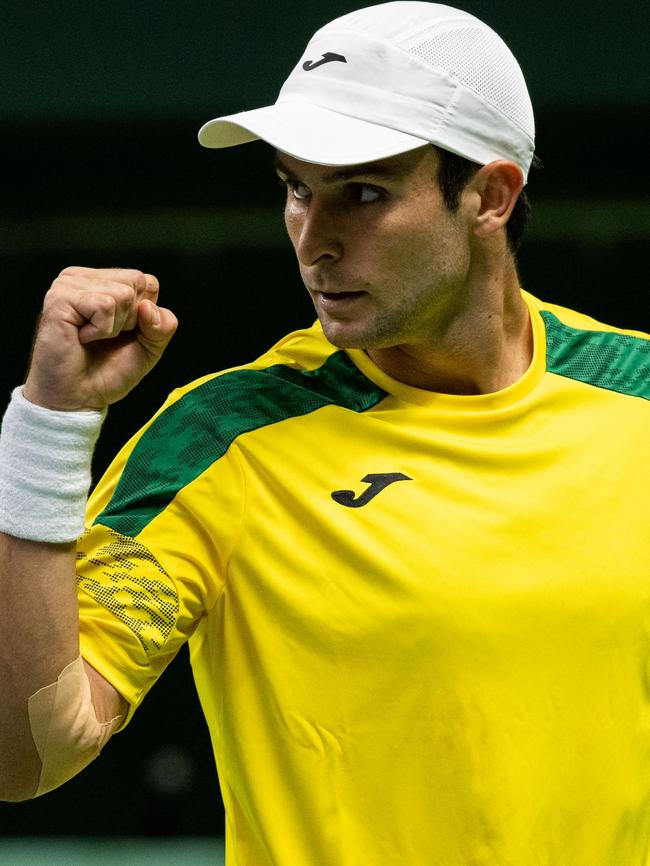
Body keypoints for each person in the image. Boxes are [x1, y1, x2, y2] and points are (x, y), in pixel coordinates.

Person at [1, 2, 649, 863]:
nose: (315, 239)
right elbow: (28, 756)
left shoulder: (635, 391)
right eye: (296, 189)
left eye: (364, 194)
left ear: (491, 196)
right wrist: (47, 431)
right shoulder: (223, 439)